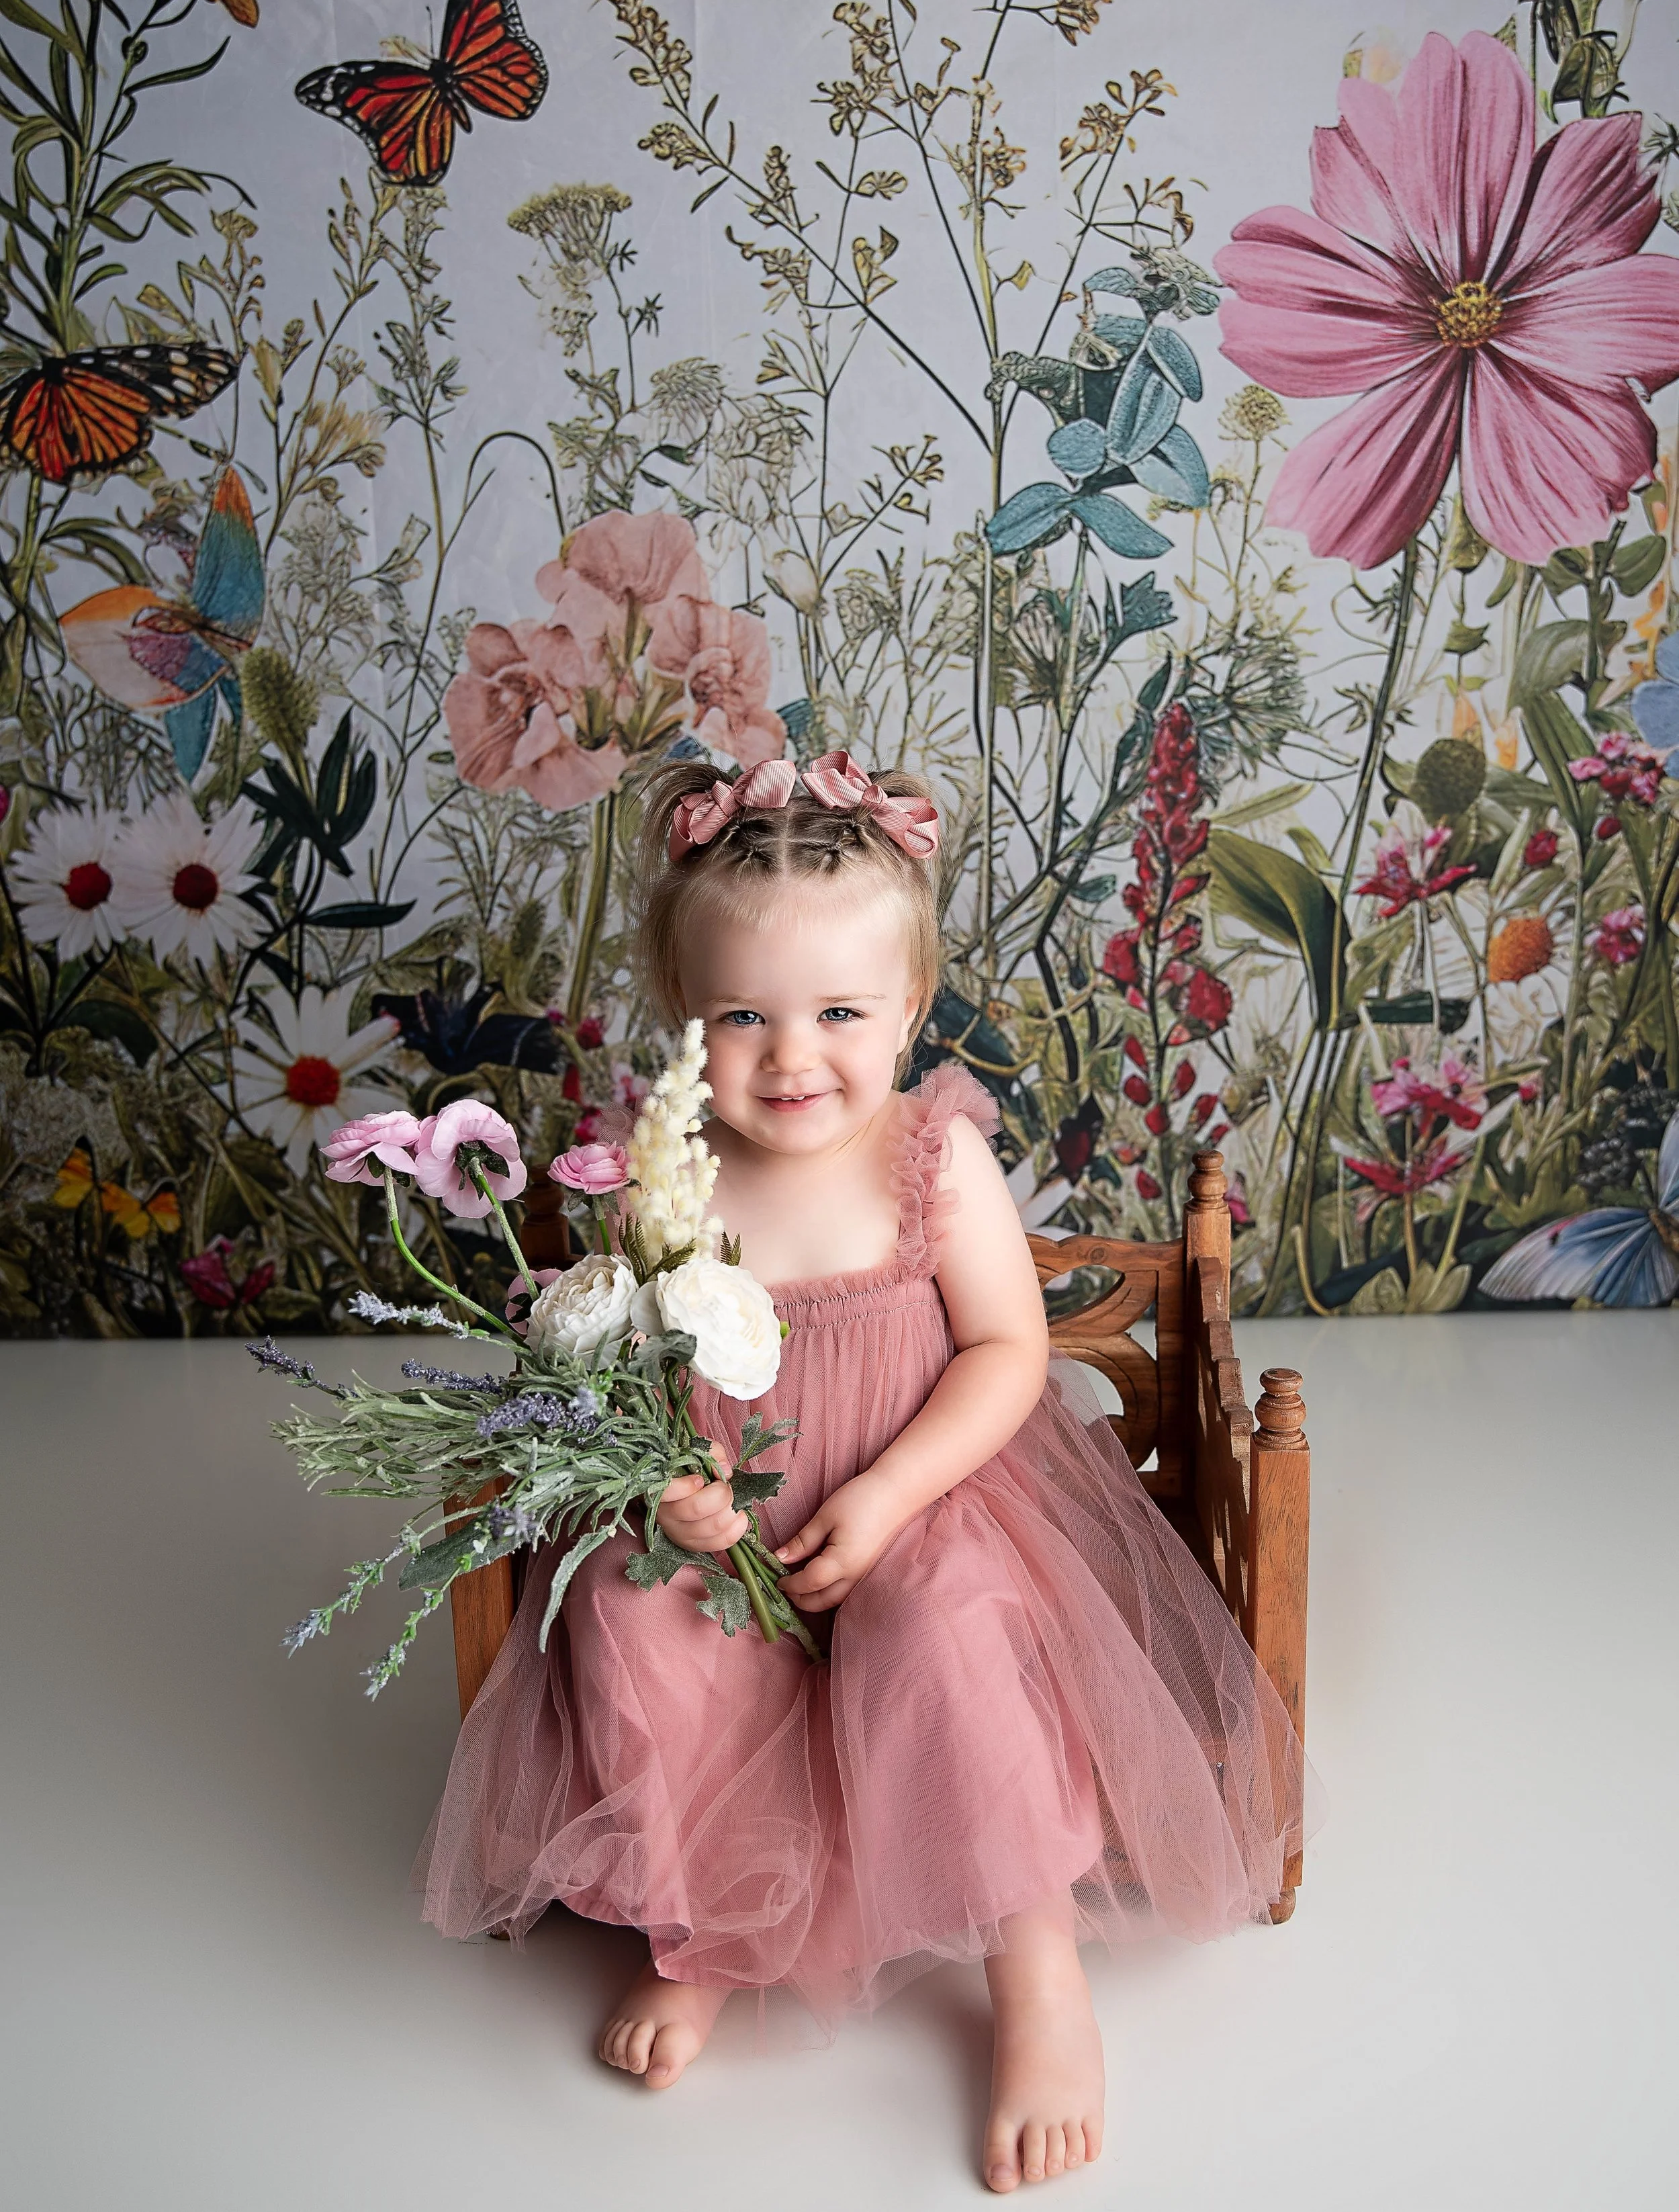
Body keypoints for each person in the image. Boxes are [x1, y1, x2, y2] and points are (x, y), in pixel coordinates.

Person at [417, 752, 1316, 2194]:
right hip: (730, 1527)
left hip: (923, 1500)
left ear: (906, 1013)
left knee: (953, 1634)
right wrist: (668, 1491)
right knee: (631, 1624)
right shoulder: (669, 1173)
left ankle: (1034, 1981)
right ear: (686, 1021)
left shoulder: (930, 1160)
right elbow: (635, 1364)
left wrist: (895, 1493)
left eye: (840, 1011)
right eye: (743, 1017)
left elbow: (1007, 1351)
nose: (793, 1057)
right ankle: (705, 1932)